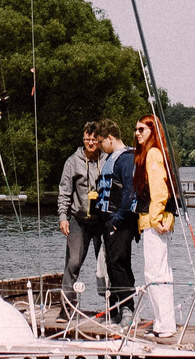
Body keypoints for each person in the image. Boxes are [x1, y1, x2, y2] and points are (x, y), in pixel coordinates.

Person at [132, 112, 178, 338]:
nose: (137, 133)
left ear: (152, 132)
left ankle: (164, 324)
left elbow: (160, 189)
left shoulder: (152, 154)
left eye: (142, 129)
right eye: (136, 129)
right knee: (159, 271)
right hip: (154, 220)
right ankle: (162, 321)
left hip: (154, 221)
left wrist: (156, 217)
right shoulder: (155, 153)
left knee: (155, 272)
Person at [56, 122, 109, 309]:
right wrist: (63, 217)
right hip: (79, 220)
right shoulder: (72, 162)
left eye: (94, 139)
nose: (91, 143)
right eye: (88, 139)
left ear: (100, 140)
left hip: (102, 220)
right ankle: (67, 306)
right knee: (74, 261)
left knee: (105, 263)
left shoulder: (106, 160)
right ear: (83, 139)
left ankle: (113, 306)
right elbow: (64, 192)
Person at [96, 122, 139, 323]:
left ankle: (128, 308)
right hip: (109, 219)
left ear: (110, 138)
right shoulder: (111, 158)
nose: (99, 146)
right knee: (112, 263)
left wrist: (117, 220)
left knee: (118, 262)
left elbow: (129, 193)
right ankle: (117, 309)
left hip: (120, 221)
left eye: (101, 142)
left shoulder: (126, 159)